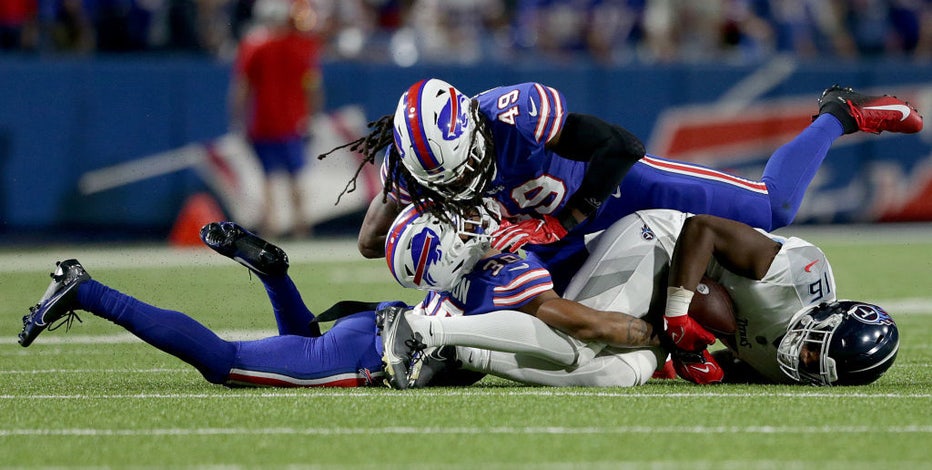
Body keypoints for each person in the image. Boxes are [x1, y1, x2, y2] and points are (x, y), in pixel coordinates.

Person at [322, 79, 922, 292]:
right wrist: (447, 233)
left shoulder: (515, 114)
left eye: (462, 167)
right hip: (545, 241)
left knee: (773, 206)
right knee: (544, 315)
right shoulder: (407, 167)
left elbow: (622, 147)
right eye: (442, 180)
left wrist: (558, 220)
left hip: (608, 189)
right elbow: (373, 243)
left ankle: (837, 114)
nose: (459, 182)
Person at [380, 201, 900, 387]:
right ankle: (425, 328)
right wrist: (678, 315)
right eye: (814, 350)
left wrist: (693, 358)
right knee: (580, 342)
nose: (801, 360)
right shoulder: (793, 273)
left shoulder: (794, 369)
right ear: (825, 319)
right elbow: (702, 229)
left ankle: (461, 349)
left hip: (668, 297)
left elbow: (736, 354)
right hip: (660, 244)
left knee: (619, 373)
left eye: (813, 368)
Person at [18, 222, 390, 388]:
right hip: (380, 348)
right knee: (224, 362)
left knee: (303, 348)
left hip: (379, 321)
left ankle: (275, 278)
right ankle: (85, 291)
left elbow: (369, 241)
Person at [230, 0, 324, 237]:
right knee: (295, 176)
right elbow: (312, 84)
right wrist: (313, 114)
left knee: (269, 177)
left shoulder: (253, 45)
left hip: (264, 121)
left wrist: (238, 120)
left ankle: (270, 227)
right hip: (293, 121)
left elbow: (242, 87)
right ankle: (301, 225)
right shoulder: (300, 45)